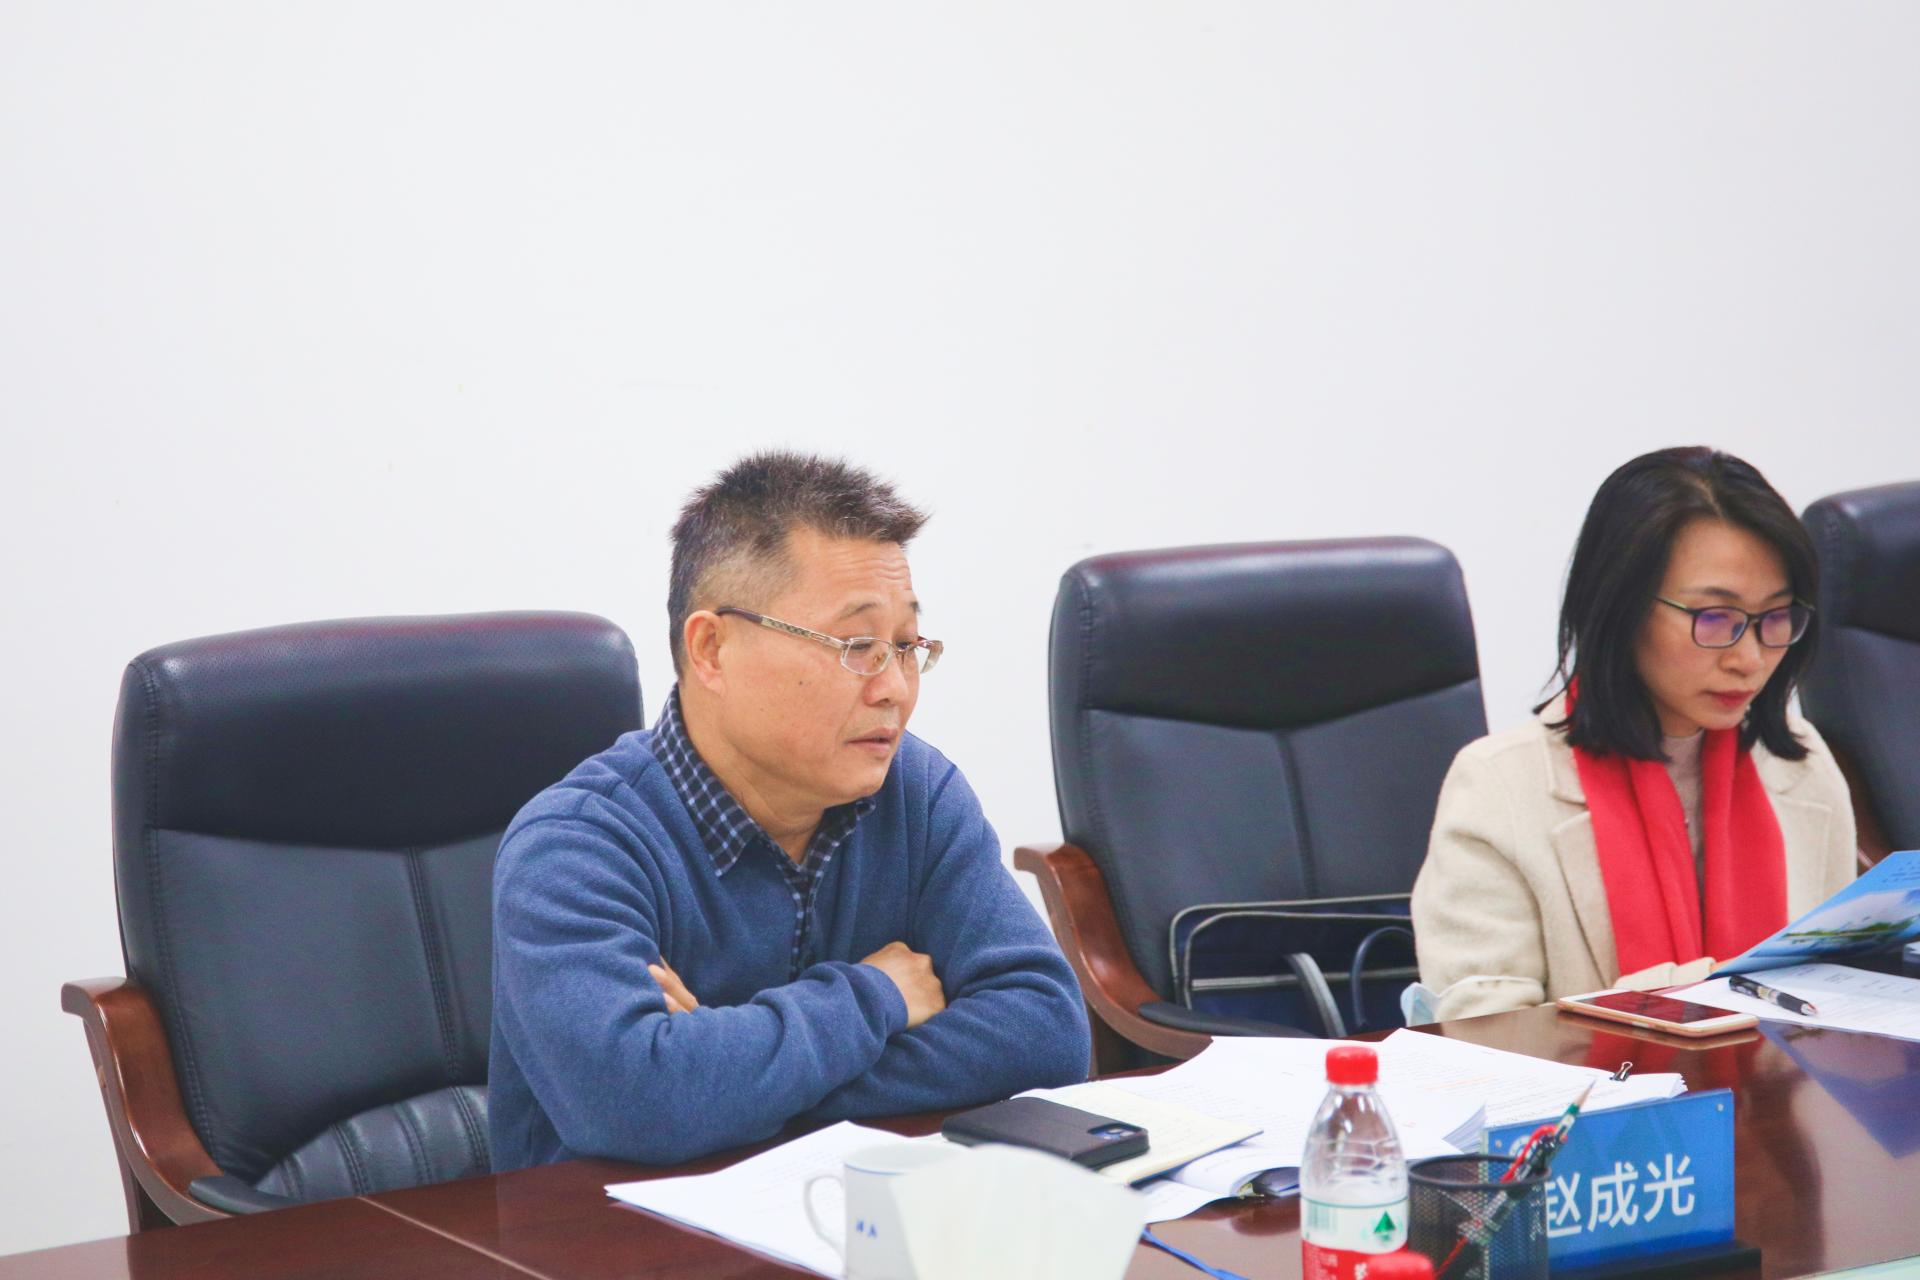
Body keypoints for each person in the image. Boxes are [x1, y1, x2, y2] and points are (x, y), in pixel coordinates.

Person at [489, 453, 1091, 1169]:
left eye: (905, 647)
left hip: (846, 1212)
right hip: (607, 1228)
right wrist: (877, 995)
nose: (896, 689)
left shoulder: (917, 794)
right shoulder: (576, 847)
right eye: (858, 646)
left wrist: (728, 1075)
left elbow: (1047, 1032)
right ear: (712, 649)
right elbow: (636, 1102)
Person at [1412, 447, 1856, 1021]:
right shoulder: (1499, 786)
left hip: (1781, 1082)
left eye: (1775, 617)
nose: (1749, 658)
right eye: (1714, 618)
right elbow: (1486, 1031)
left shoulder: (1800, 762)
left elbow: (1835, 989)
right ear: (1620, 607)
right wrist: (1708, 998)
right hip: (1590, 1084)